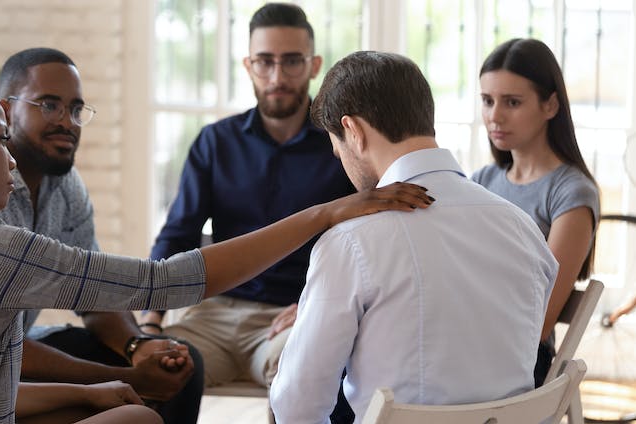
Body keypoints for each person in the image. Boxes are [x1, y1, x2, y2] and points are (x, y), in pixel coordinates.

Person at [0, 42, 432, 423]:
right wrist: (326, 213)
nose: (6, 154)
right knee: (139, 419)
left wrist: (99, 381)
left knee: (122, 401)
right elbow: (164, 281)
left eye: (77, 108)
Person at [269, 50, 559, 423]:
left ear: (353, 132)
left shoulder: (351, 241)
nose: (339, 160)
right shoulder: (523, 229)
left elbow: (297, 404)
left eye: (336, 147)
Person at [143, 1, 355, 398]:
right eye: (265, 62)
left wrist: (321, 306)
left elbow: (368, 238)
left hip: (296, 316)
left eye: (292, 61)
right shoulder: (215, 142)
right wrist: (150, 321)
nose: (277, 76)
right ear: (248, 66)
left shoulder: (341, 146)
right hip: (213, 315)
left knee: (307, 376)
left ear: (313, 65)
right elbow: (178, 235)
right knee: (153, 370)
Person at [0, 47, 202, 424]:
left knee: (180, 365)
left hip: (24, 346)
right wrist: (129, 377)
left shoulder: (66, 185)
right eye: (49, 105)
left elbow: (94, 295)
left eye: (75, 109)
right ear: (5, 110)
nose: (67, 122)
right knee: (138, 392)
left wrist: (137, 347)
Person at [471, 38, 600, 387]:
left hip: (518, 358)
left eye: (512, 102)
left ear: (550, 105)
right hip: (468, 338)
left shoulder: (571, 192)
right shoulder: (482, 180)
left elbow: (539, 322)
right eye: (487, 101)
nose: (494, 116)